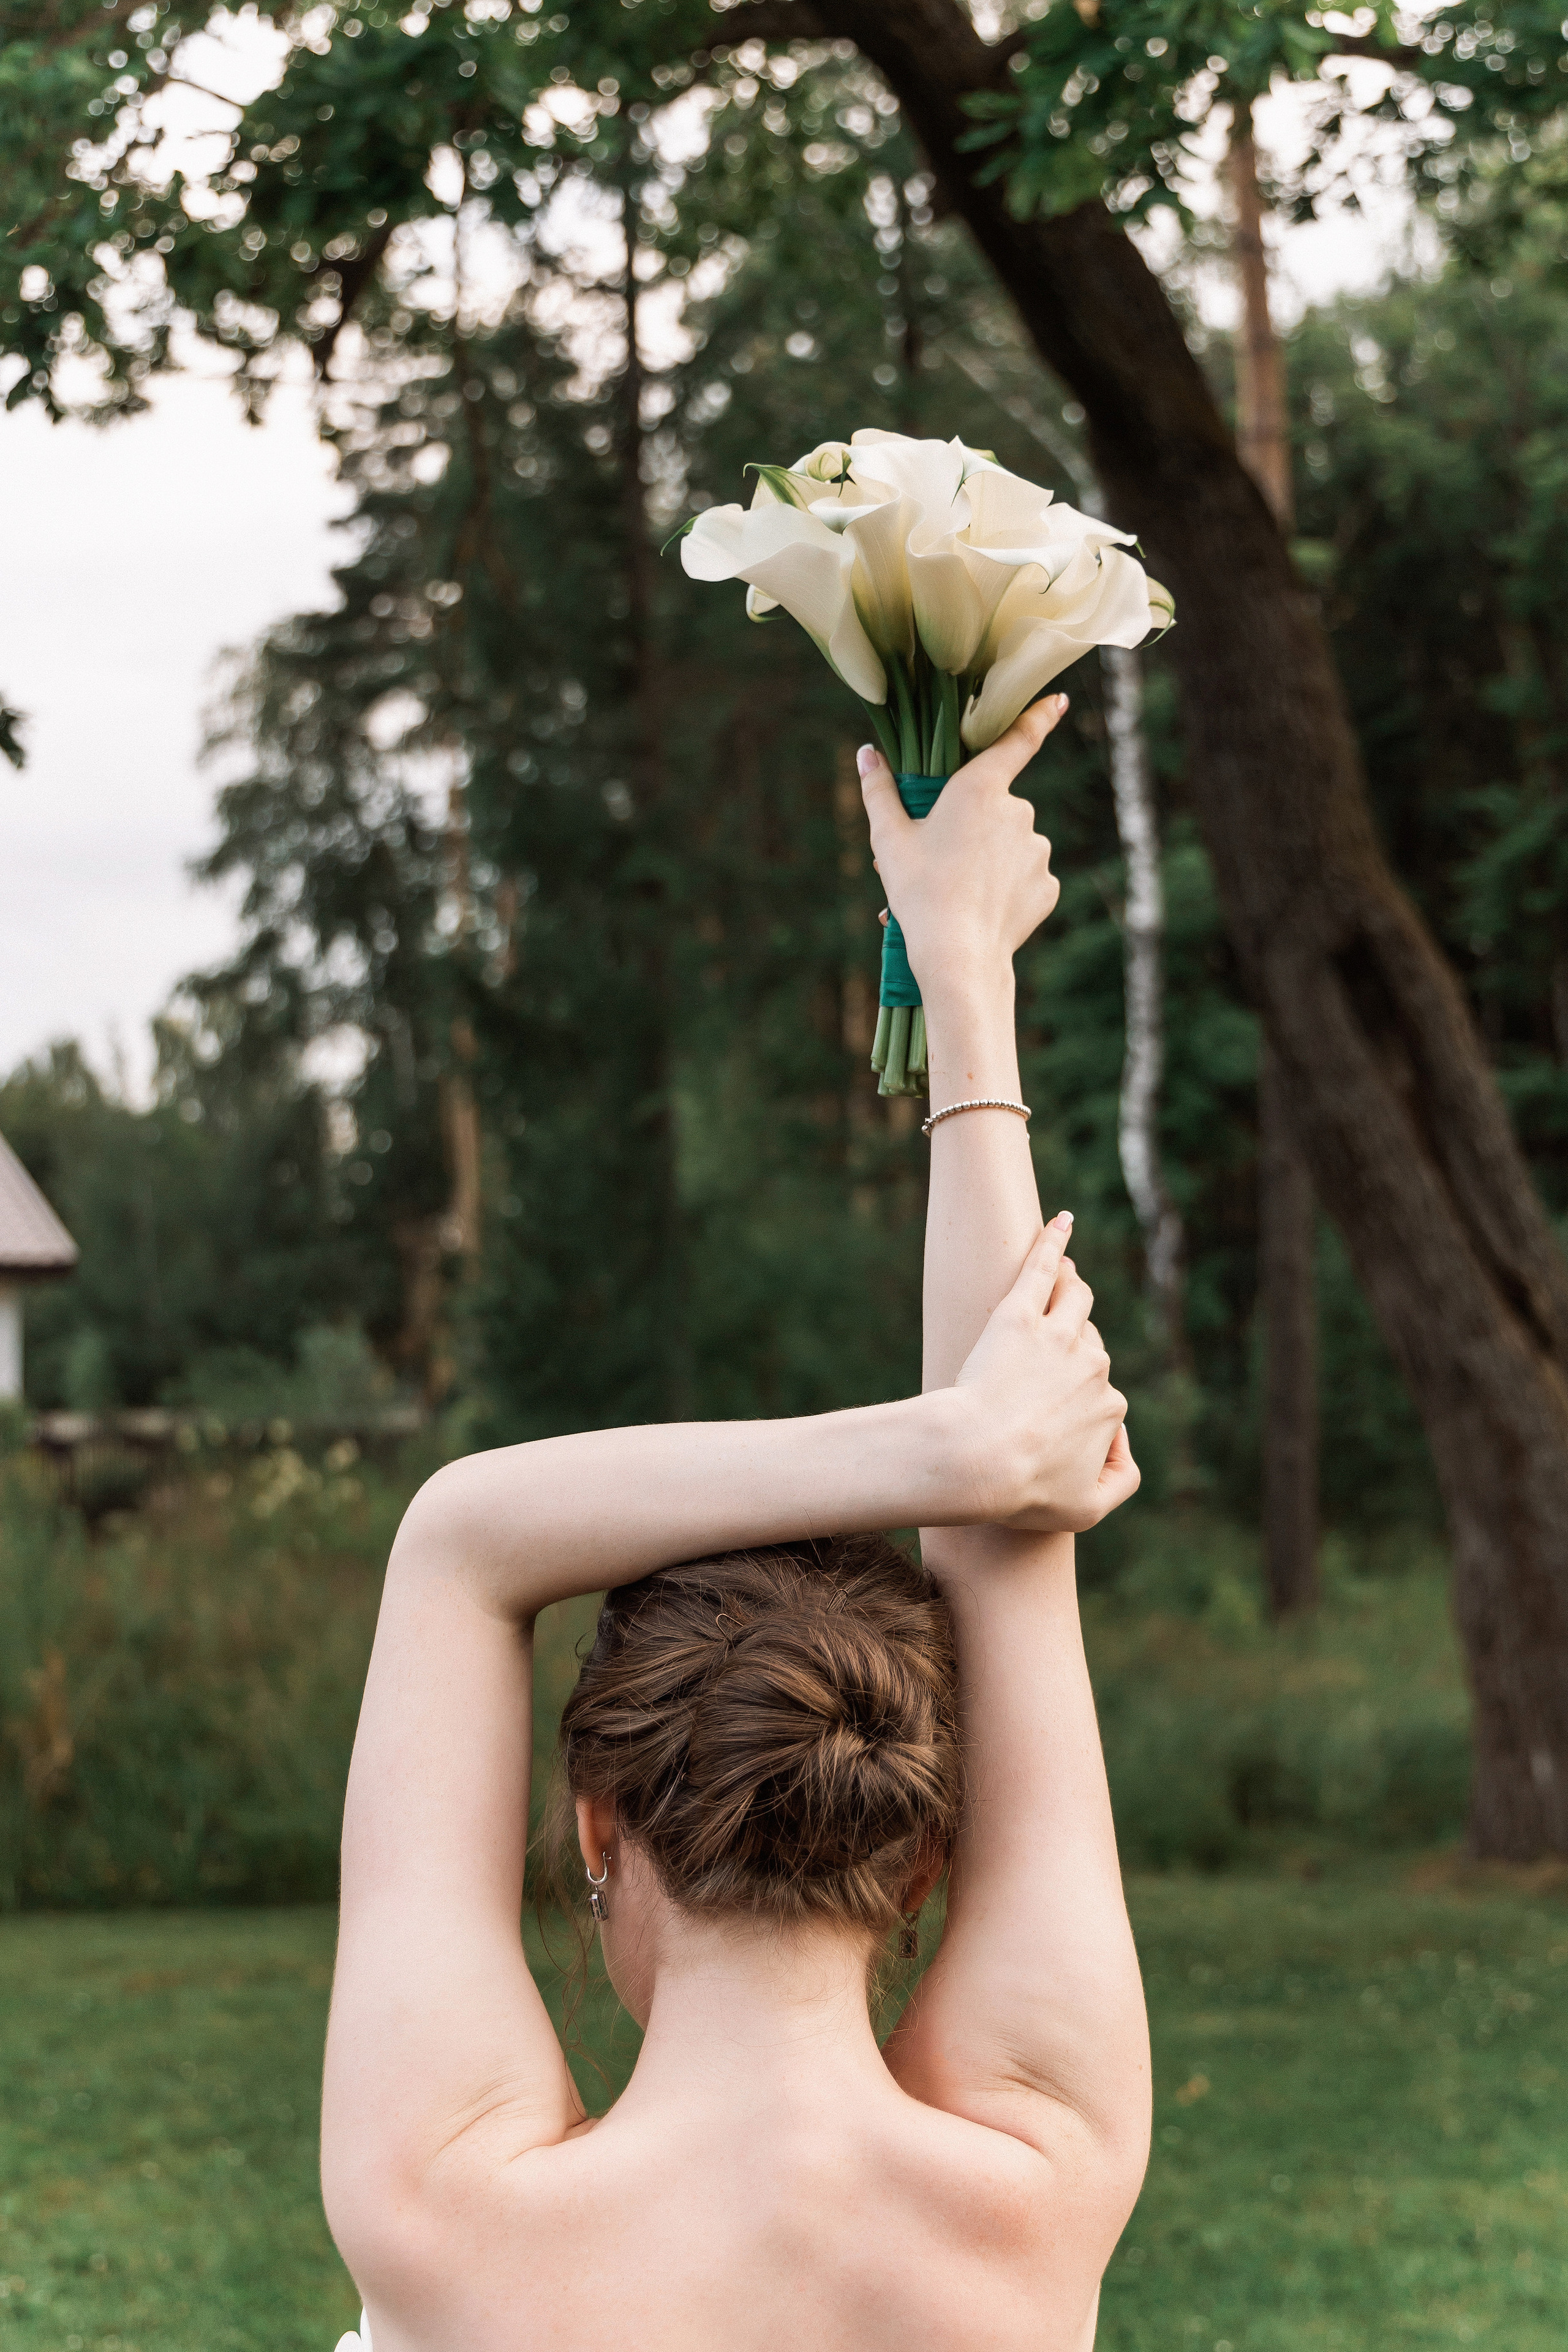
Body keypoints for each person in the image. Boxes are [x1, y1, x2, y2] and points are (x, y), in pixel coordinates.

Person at [322, 695, 1149, 2352]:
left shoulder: (439, 2211)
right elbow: (1011, 1566)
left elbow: (463, 1540)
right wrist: (965, 986)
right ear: (925, 1854)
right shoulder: (1041, 2184)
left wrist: (961, 1447)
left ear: (598, 1827)